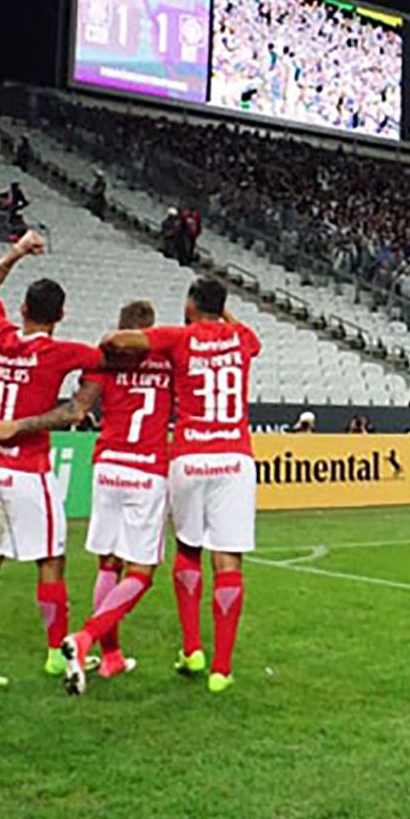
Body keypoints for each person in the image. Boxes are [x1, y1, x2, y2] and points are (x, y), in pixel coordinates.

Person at [0, 231, 108, 690]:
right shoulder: (62, 352)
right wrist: (73, 406)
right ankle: (57, 654)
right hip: (28, 475)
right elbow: (101, 368)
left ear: (22, 311)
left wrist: (17, 251)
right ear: (60, 318)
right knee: (51, 560)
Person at [0, 300, 172, 694]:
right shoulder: (165, 360)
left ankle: (112, 658)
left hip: (107, 467)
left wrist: (18, 424)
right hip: (146, 469)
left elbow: (77, 409)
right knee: (141, 571)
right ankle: (86, 638)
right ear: (148, 329)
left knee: (108, 563)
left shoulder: (101, 363)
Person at [96, 276, 260, 695]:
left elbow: (117, 340)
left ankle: (192, 649)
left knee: (188, 550)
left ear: (189, 306)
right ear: (221, 307)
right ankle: (221, 670)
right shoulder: (241, 338)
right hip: (233, 457)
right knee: (229, 562)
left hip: (188, 455)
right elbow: (248, 337)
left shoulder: (176, 338)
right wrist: (221, 311)